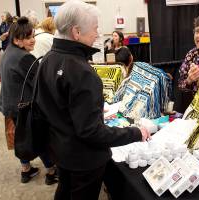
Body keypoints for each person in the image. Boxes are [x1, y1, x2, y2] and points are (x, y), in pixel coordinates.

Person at [34, 1, 150, 199]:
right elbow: (92, 132)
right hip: (84, 159)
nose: (97, 34)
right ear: (76, 31)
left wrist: (89, 112)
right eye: (95, 28)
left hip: (60, 150)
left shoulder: (47, 59)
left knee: (64, 191)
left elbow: (52, 107)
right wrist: (135, 132)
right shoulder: (82, 71)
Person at [0, 17, 57, 185]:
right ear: (17, 39)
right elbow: (42, 84)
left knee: (22, 137)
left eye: (33, 35)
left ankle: (26, 170)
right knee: (41, 137)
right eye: (28, 37)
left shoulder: (7, 52)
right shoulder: (25, 58)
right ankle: (52, 172)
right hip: (24, 107)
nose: (33, 40)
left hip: (11, 104)